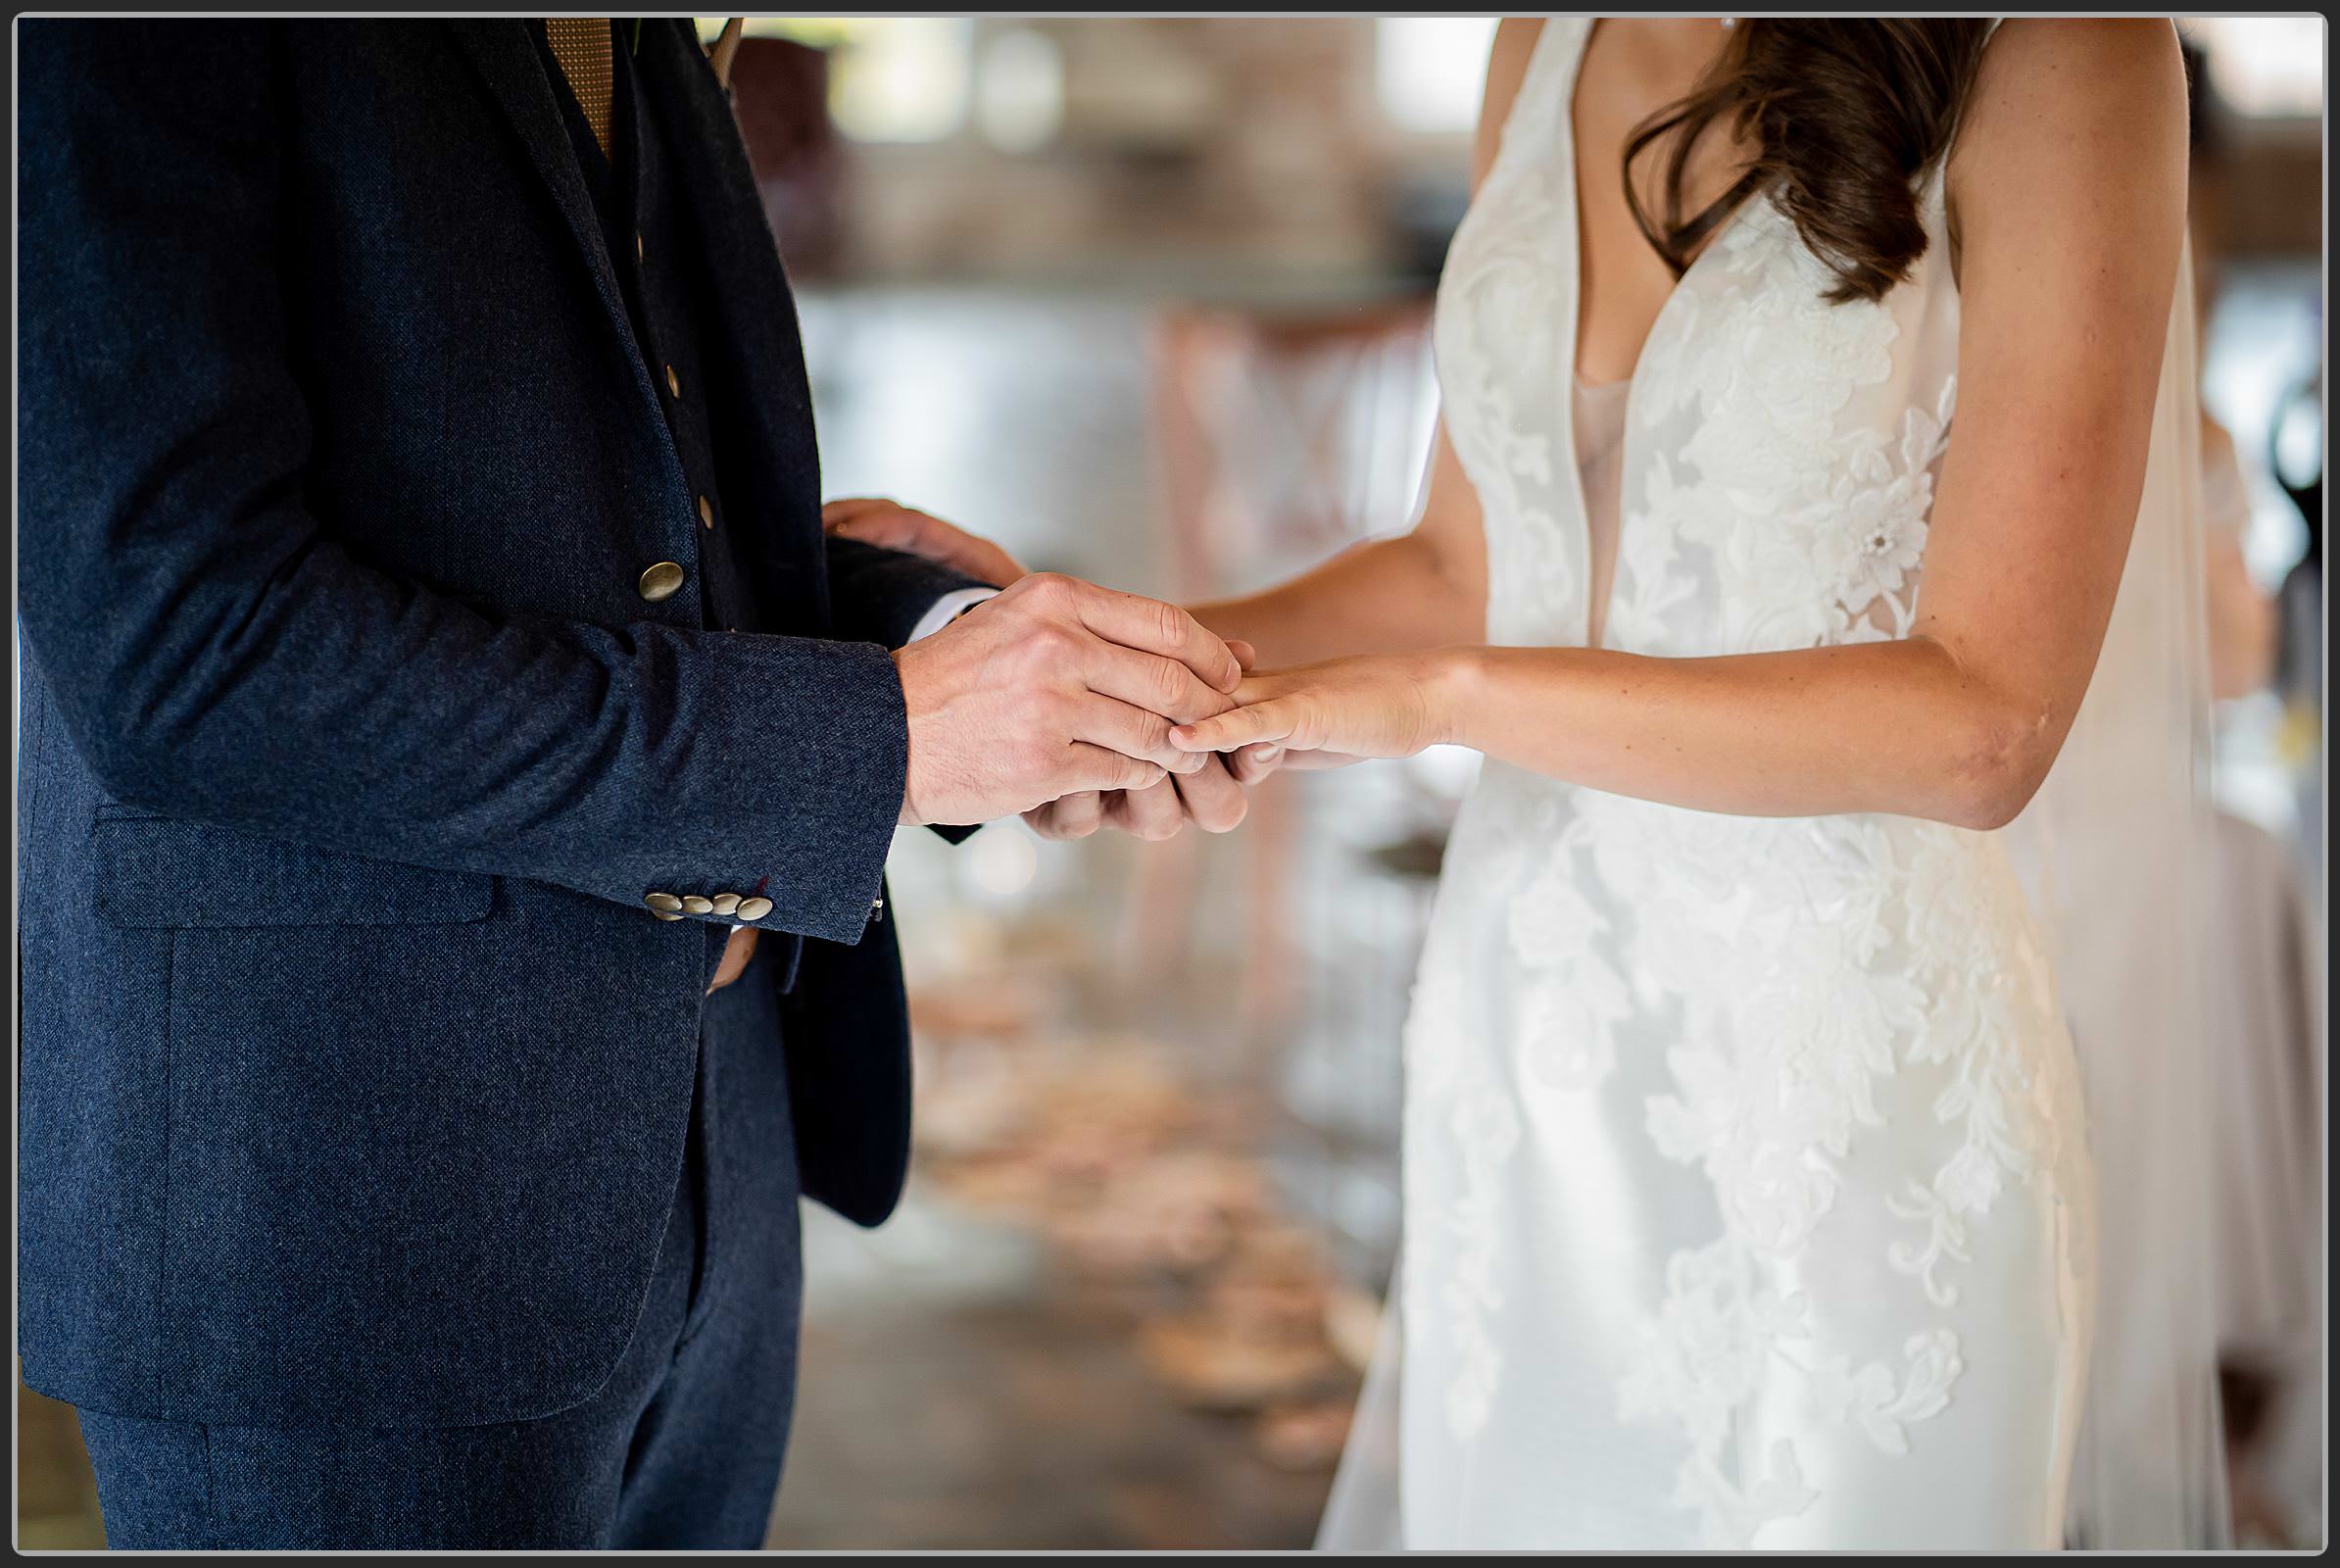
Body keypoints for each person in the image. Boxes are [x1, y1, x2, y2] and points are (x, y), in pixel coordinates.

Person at [853, 17, 2220, 1549]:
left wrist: (1446, 705)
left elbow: (1985, 723)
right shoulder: (1545, 41)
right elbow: (1464, 562)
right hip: (1533, 1061)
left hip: (1845, 1096)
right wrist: (1081, 667)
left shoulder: (2066, 53)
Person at [15, 18, 1264, 1550]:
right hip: (340, 1203)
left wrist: (962, 655)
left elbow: (576, 513)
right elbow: (189, 648)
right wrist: (877, 732)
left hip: (714, 1145)